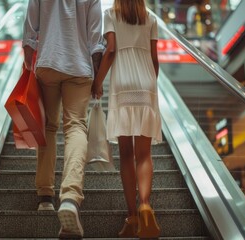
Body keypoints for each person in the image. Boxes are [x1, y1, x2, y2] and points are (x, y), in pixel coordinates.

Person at [22, 0, 104, 238]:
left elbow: (30, 33)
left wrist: (28, 66)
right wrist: (97, 80)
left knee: (48, 127)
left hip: (48, 62)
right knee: (76, 126)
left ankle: (45, 196)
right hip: (79, 68)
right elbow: (96, 41)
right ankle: (70, 197)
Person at [91, 0, 162, 238]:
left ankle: (132, 217)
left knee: (126, 155)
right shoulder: (150, 17)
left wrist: (98, 81)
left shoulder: (111, 14)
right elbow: (155, 59)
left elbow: (110, 50)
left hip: (123, 83)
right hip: (146, 82)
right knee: (144, 154)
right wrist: (151, 85)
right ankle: (144, 205)